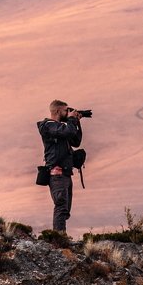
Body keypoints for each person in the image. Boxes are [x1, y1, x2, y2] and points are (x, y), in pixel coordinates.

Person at [37, 99, 83, 233]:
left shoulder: (61, 128)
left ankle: (60, 235)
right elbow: (67, 131)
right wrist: (71, 120)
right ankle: (59, 237)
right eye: (65, 110)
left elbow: (76, 141)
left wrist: (76, 121)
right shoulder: (48, 126)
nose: (68, 113)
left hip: (66, 174)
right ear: (57, 111)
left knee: (65, 209)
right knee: (61, 205)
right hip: (56, 174)